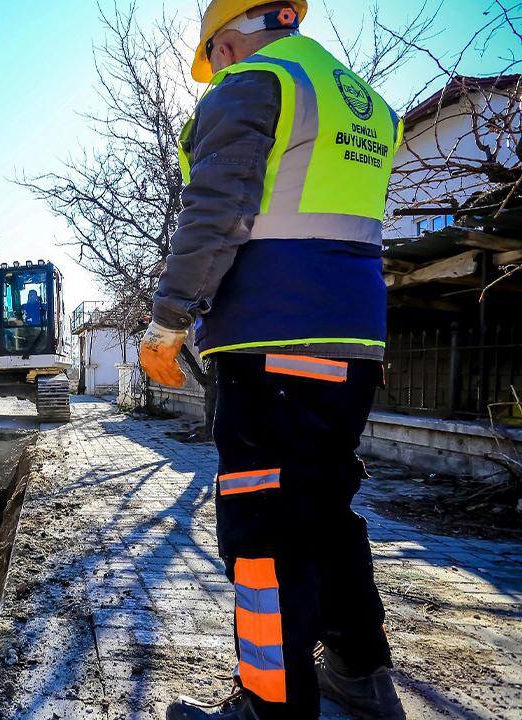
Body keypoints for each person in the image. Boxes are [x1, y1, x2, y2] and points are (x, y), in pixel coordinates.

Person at [137, 2, 406, 719]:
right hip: (353, 345)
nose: (217, 71)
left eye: (214, 59)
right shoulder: (367, 104)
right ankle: (361, 674)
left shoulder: (255, 83)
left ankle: (272, 704)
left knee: (264, 531)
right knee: (326, 512)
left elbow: (217, 209)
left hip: (272, 340)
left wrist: (169, 319)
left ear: (225, 43)